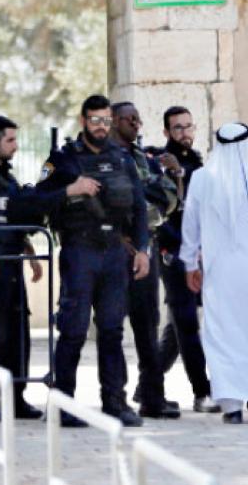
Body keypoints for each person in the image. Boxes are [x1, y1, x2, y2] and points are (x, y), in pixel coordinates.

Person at [0, 115, 99, 421]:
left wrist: (29, 250)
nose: (16, 147)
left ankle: (15, 396)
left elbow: (14, 216)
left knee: (17, 332)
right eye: (10, 140)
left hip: (11, 262)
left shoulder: (6, 178)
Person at [36, 95, 150, 428]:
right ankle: (61, 405)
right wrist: (71, 190)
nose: (100, 127)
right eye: (94, 120)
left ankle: (114, 403)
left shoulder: (122, 158)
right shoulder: (64, 160)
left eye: (105, 121)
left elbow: (140, 208)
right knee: (72, 330)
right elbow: (36, 200)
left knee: (112, 330)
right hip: (79, 252)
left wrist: (141, 248)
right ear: (83, 120)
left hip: (114, 253)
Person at [181, 122, 248, 424]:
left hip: (221, 272)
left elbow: (190, 225)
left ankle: (233, 405)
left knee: (225, 332)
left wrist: (190, 262)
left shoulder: (203, 178)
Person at [110, 102, 180, 419]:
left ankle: (153, 397)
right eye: (130, 119)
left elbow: (166, 199)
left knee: (147, 326)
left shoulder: (144, 159)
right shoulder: (102, 158)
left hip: (142, 249)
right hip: (112, 252)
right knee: (111, 328)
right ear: (113, 121)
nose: (137, 124)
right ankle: (115, 398)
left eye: (139, 119)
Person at [150, 106, 219, 413]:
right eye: (177, 128)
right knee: (187, 321)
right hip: (174, 252)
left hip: (199, 252)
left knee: (178, 326)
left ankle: (146, 385)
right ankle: (202, 392)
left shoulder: (196, 162)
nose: (184, 133)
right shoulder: (162, 163)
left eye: (189, 126)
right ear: (167, 132)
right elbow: (164, 214)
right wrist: (181, 249)